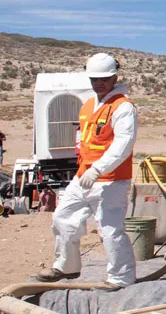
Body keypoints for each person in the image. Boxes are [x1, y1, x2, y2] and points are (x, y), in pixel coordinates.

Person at [37, 53, 140, 289]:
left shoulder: (123, 107)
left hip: (110, 180)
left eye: (104, 78)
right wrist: (86, 170)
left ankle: (121, 278)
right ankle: (67, 265)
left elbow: (123, 145)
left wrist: (98, 169)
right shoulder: (88, 106)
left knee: (110, 229)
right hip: (84, 176)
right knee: (63, 217)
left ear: (115, 76)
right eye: (94, 78)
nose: (99, 83)